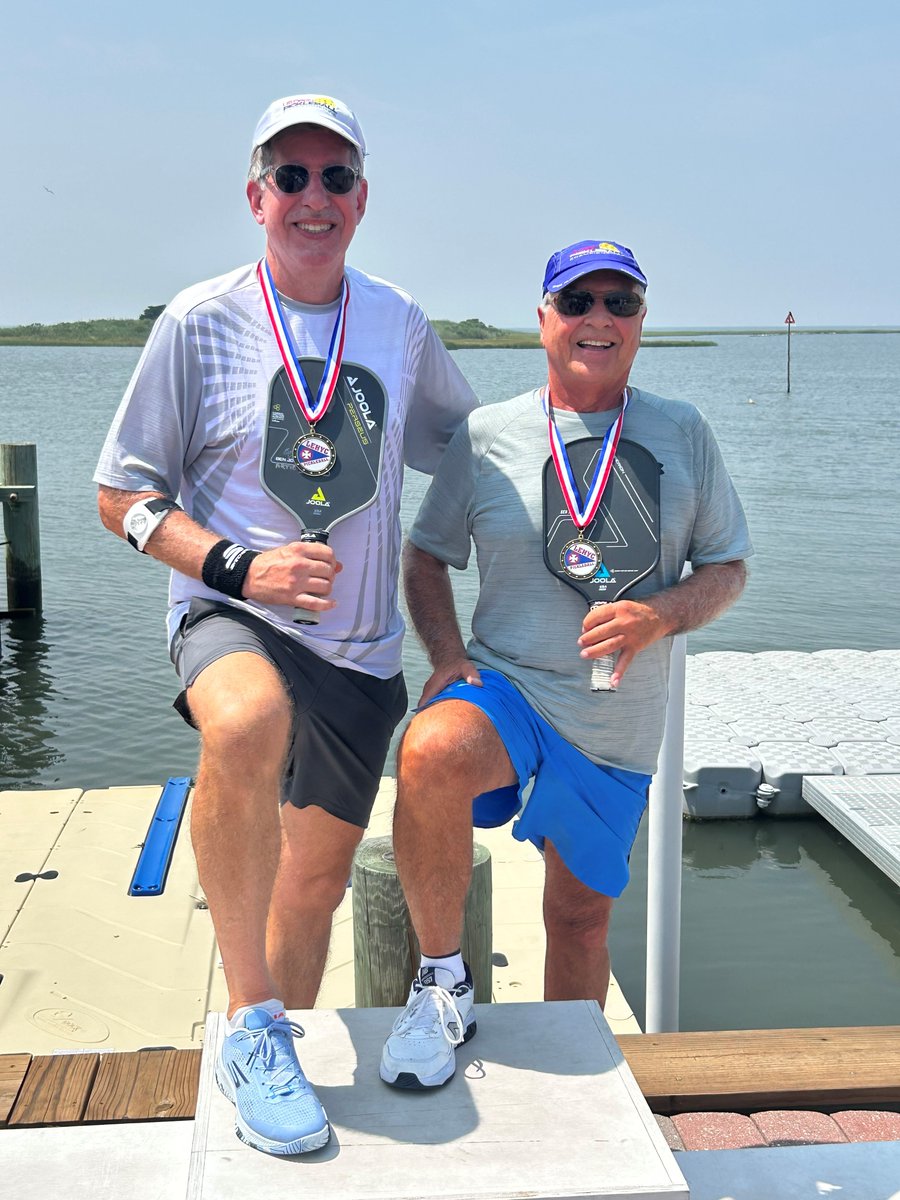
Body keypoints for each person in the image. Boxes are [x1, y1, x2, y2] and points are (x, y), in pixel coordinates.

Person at [94, 94, 477, 1154]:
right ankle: (246, 1023)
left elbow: (470, 443)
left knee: (308, 889)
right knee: (245, 721)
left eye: (336, 177)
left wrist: (588, 443)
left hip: (359, 652)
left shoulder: (397, 321)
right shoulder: (198, 320)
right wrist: (238, 567)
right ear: (257, 196)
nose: (315, 197)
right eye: (292, 176)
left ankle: (282, 1056)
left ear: (362, 200)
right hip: (229, 615)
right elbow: (120, 496)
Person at [379, 239, 752, 1090]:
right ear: (544, 320)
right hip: (507, 686)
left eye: (621, 304)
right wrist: (443, 655)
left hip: (616, 723)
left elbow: (728, 567)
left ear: (641, 323)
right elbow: (425, 554)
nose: (599, 320)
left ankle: (566, 1080)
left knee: (579, 918)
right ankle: (442, 984)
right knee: (431, 752)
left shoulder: (684, 431)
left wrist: (661, 614)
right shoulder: (487, 435)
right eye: (578, 302)